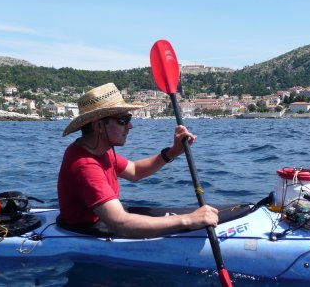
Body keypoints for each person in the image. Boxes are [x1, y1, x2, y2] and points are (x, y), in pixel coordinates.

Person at [57, 82, 218, 238]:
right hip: (85, 230)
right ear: (98, 126)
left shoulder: (98, 150)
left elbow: (134, 171)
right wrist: (188, 219)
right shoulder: (85, 166)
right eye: (123, 120)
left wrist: (173, 152)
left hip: (102, 220)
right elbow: (122, 224)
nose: (130, 126)